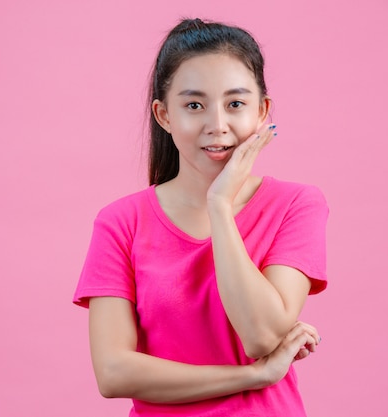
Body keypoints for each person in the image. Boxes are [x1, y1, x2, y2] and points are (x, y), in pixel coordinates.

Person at [73, 18, 328, 417]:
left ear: (262, 111)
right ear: (164, 115)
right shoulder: (120, 222)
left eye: (235, 104)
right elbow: (113, 372)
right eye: (194, 105)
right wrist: (251, 377)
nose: (217, 126)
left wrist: (220, 206)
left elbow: (261, 335)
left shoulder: (296, 204)